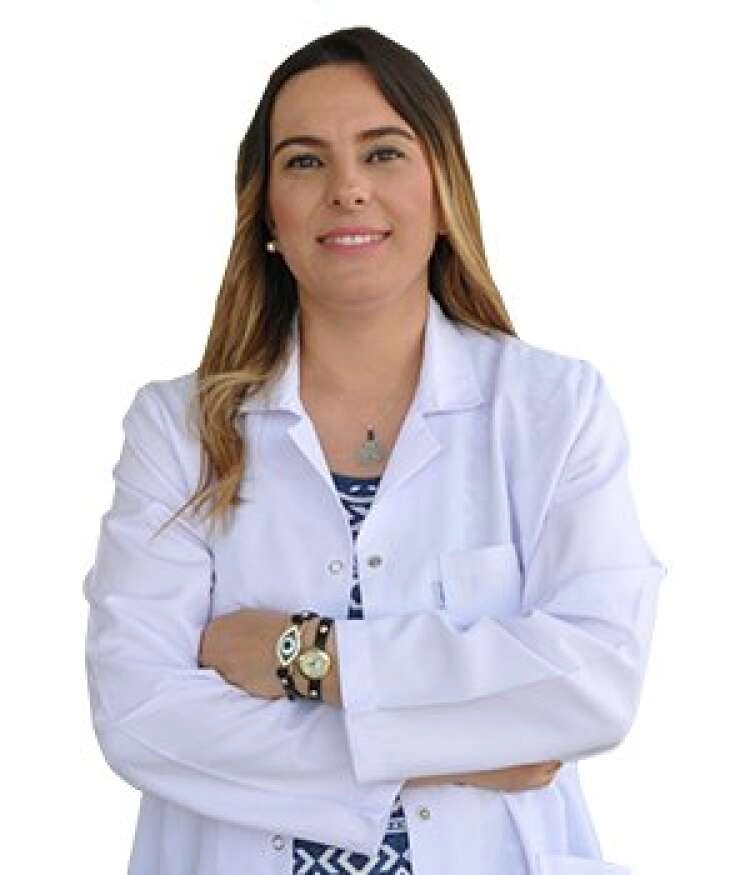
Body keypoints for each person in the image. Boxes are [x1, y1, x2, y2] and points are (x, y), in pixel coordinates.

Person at [83, 25, 666, 875]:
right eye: (305, 161)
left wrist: (300, 653)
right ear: (267, 212)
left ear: (443, 190)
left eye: (383, 153)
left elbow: (595, 682)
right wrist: (452, 746)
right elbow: (140, 714)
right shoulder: (176, 429)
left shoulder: (554, 411)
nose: (348, 188)